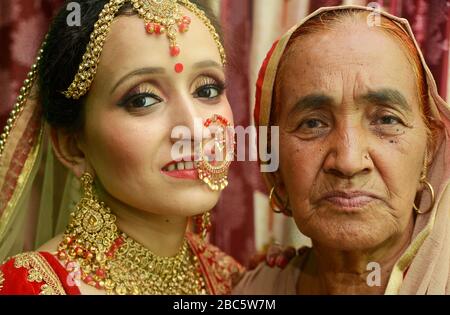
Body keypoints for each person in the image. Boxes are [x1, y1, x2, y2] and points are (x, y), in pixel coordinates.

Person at [0, 0, 244, 295]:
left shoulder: (230, 280)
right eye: (142, 99)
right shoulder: (31, 287)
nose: (193, 129)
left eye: (207, 90)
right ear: (72, 148)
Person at [234, 5, 450, 295]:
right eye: (313, 123)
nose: (348, 162)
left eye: (386, 120)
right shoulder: (254, 292)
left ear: (429, 150)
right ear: (274, 163)